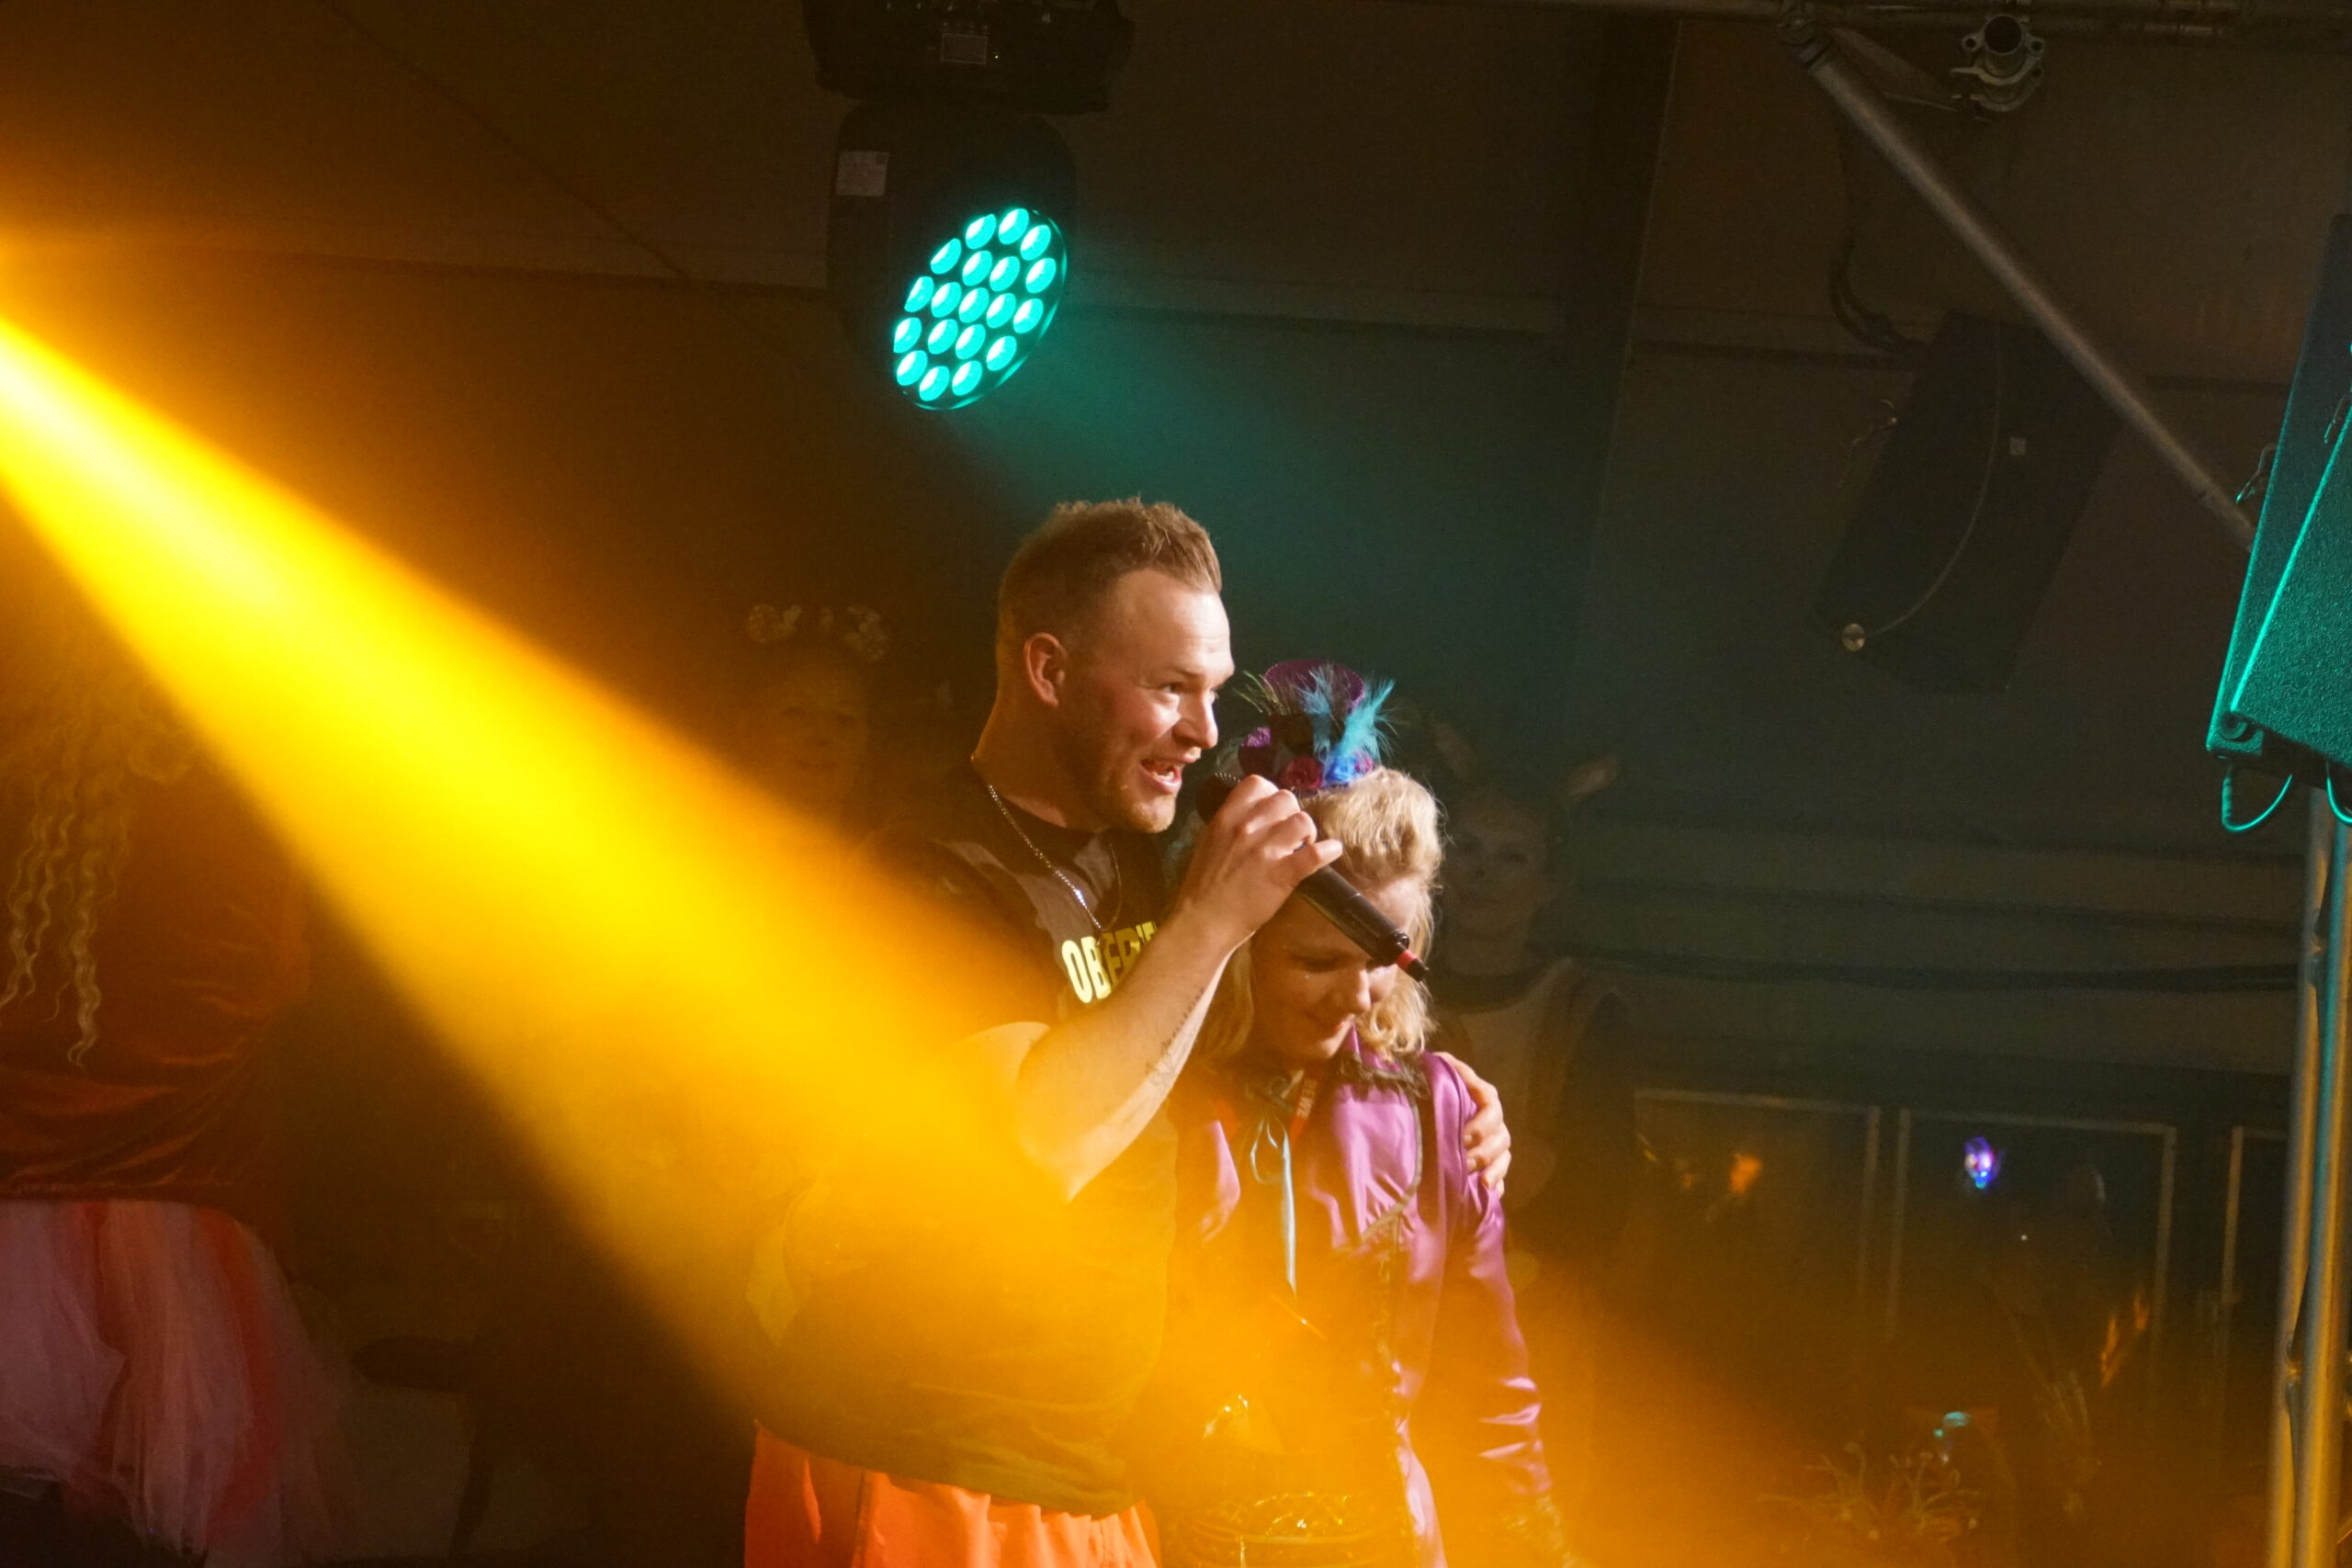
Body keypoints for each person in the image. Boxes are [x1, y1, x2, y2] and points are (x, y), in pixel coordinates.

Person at [743, 501, 1509, 1568]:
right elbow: (1042, 1143)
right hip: (928, 1462)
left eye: (1213, 691)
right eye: (1169, 688)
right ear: (1049, 670)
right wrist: (1208, 922)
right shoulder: (927, 876)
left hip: (1095, 1475)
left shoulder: (1138, 859)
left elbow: (1256, 1030)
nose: (1204, 731)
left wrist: (1444, 1094)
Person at [1140, 665, 1570, 1568]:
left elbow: (1491, 1400)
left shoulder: (1438, 1111)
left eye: (1385, 958)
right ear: (1239, 942)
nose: (1358, 995)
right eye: (1316, 962)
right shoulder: (1148, 1090)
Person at [0, 566, 348, 1566]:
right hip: (181, 1222)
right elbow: (272, 982)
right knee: (166, 1514)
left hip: (20, 1215)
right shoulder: (233, 812)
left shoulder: (22, 788)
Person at [1427, 776, 1635, 1554]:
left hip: (1530, 1330)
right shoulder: (1384, 980)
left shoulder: (1580, 1008)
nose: (1483, 875)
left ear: (1549, 884)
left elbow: (1599, 1201)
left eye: (1511, 858)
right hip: (1403, 1321)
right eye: (1468, 849)